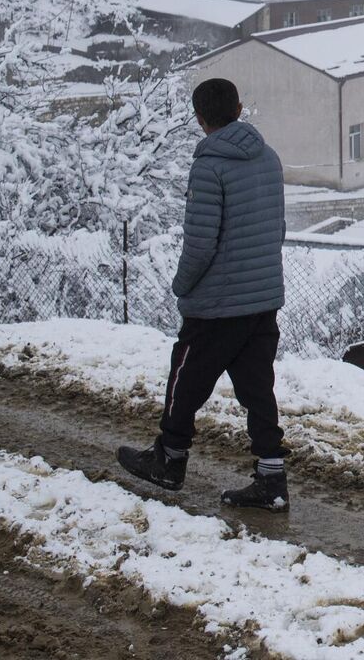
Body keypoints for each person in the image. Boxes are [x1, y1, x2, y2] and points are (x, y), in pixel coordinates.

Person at [118, 77, 291, 512]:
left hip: (217, 303)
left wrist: (182, 286)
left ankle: (169, 460)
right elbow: (278, 228)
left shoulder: (209, 166)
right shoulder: (269, 159)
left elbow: (200, 244)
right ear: (238, 107)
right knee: (257, 388)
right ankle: (272, 477)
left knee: (186, 379)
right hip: (263, 297)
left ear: (200, 119)